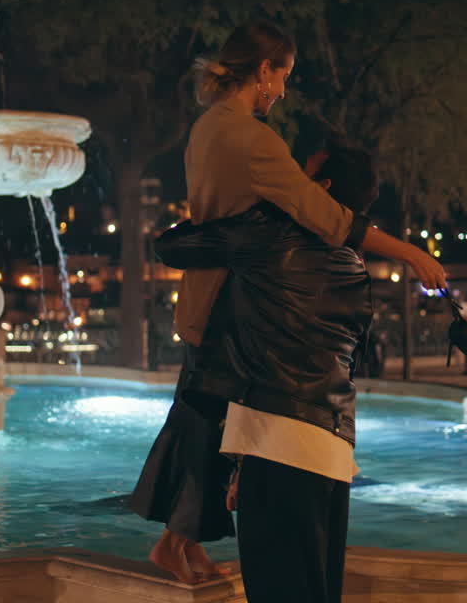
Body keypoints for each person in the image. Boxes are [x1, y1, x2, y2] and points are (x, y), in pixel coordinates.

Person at [132, 21, 446, 582]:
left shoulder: (208, 128)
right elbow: (324, 215)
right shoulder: (252, 138)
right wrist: (408, 253)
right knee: (211, 426)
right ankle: (176, 544)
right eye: (284, 76)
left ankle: (184, 544)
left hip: (208, 292)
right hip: (239, 302)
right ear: (263, 71)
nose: (282, 90)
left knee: (206, 421)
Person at [155, 143, 378, 603]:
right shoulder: (354, 267)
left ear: (321, 190)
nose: (289, 177)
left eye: (301, 173)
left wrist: (249, 206)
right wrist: (242, 463)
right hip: (332, 451)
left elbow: (173, 245)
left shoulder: (273, 234)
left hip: (279, 444)